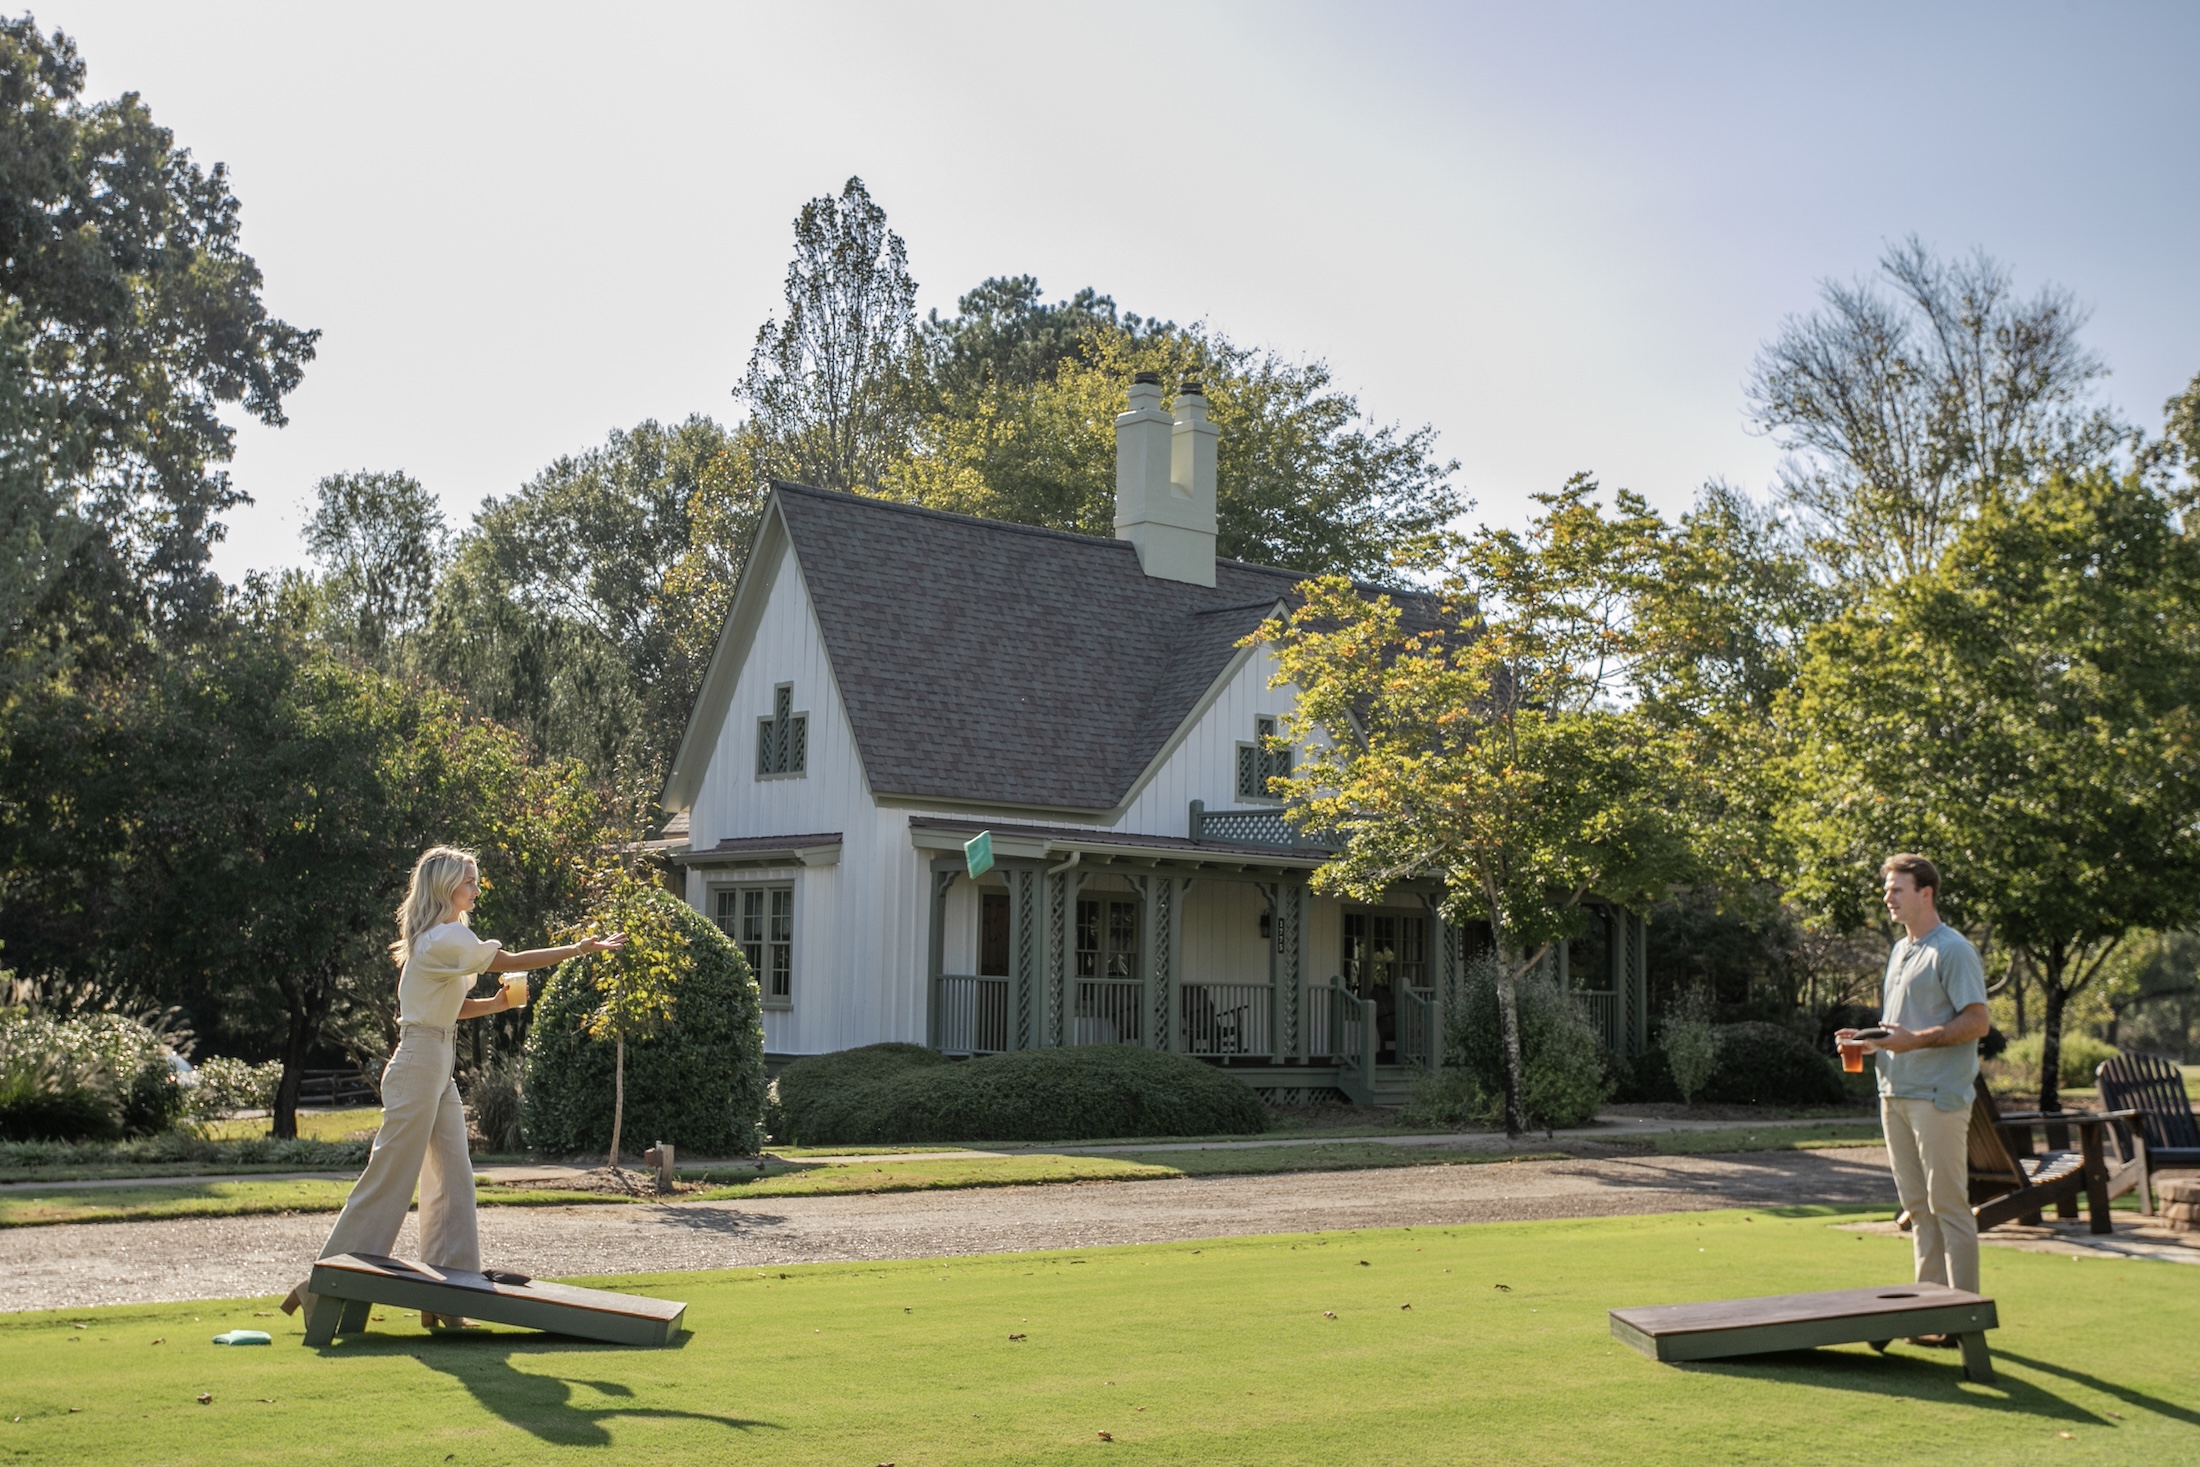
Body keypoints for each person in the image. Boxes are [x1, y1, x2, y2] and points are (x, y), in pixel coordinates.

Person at [281, 845, 626, 1330]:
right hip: (419, 1062)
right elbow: (509, 958)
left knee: (453, 1180)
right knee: (389, 1181)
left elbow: (454, 1008)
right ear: (445, 887)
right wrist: (579, 949)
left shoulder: (449, 937)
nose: (476, 888)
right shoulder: (443, 938)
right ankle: (324, 1284)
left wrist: (496, 1005)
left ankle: (449, 1295)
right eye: (469, 881)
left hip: (435, 1061)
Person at [1837, 854, 1991, 1341]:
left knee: (1949, 1206)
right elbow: (1897, 1029)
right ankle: (1929, 1314)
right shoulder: (1900, 950)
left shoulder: (1953, 950)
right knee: (1918, 1207)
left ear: (1926, 892)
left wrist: (1915, 1040)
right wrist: (1869, 1042)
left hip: (1937, 1096)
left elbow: (1976, 1022)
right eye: (1886, 889)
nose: (1887, 896)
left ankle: (1964, 1322)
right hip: (1894, 1091)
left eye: (1896, 888)